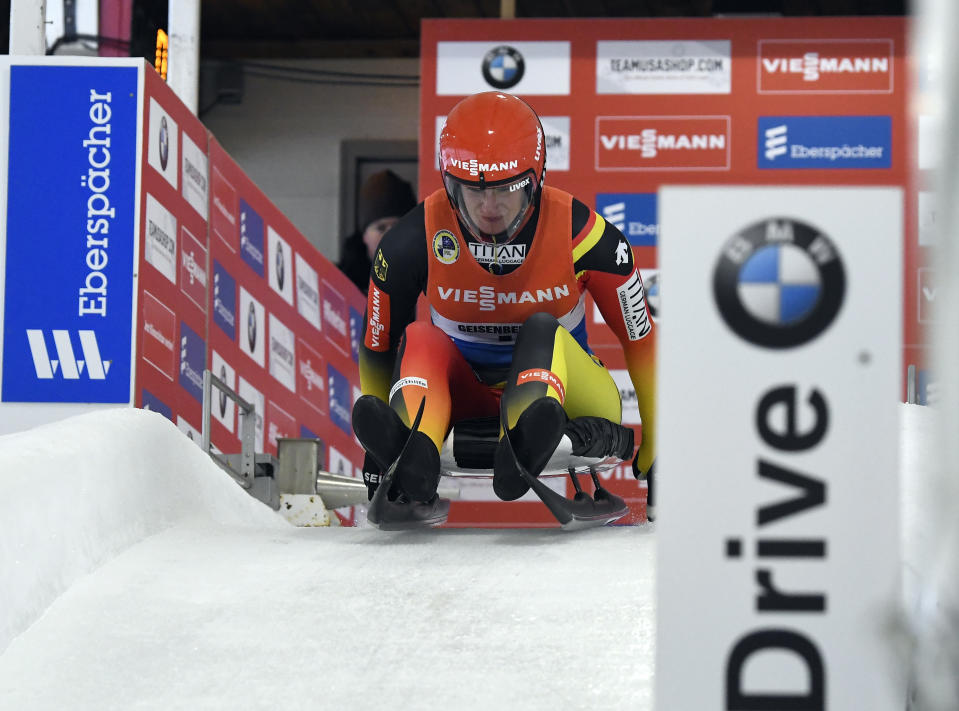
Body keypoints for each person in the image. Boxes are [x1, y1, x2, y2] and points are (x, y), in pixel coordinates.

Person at [352, 91, 656, 526]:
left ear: (536, 181)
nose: (488, 209)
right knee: (420, 337)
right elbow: (377, 343)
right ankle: (411, 450)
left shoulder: (588, 237)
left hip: (567, 399)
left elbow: (640, 340)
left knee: (542, 330)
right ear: (447, 182)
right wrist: (376, 442)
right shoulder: (410, 241)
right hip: (466, 396)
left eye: (506, 191)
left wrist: (657, 445)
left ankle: (524, 431)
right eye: (470, 193)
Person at [337, 169, 416, 292]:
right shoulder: (341, 284)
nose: (390, 235)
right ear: (364, 236)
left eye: (398, 226)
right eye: (381, 228)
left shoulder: (429, 281)